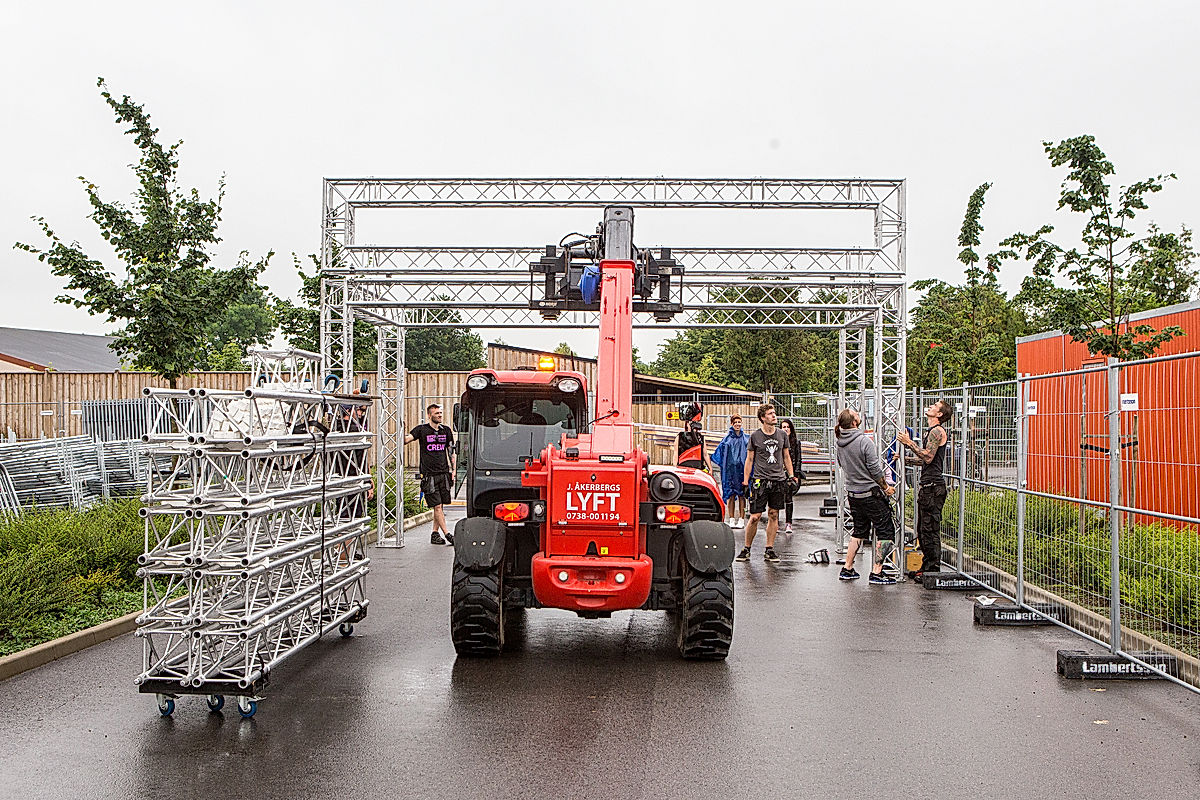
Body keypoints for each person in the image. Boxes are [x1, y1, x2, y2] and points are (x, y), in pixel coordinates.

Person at [834, 409, 897, 584]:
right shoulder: (864, 441)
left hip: (853, 494)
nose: (859, 415)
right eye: (856, 414)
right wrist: (886, 487)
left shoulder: (840, 443)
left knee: (859, 530)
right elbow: (875, 469)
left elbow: (841, 464)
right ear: (854, 422)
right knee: (885, 531)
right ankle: (877, 571)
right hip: (870, 493)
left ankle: (847, 568)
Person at [735, 404, 796, 564]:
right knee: (755, 516)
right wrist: (745, 481)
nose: (774, 416)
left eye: (774, 413)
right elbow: (749, 459)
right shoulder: (755, 436)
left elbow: (786, 456)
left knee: (774, 514)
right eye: (770, 414)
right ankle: (746, 548)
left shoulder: (782, 435)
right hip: (760, 480)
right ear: (763, 418)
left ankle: (769, 549)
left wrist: (791, 476)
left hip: (778, 480)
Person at [898, 400, 952, 578]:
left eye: (935, 406)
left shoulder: (937, 431)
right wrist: (904, 459)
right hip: (928, 487)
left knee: (929, 530)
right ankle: (926, 566)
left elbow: (928, 457)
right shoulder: (931, 432)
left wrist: (909, 443)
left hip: (933, 488)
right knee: (923, 530)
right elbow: (925, 461)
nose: (930, 407)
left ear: (939, 414)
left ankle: (932, 569)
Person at [405, 403, 456, 545]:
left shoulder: (446, 430)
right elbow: (406, 440)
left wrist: (454, 470)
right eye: (437, 413)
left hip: (444, 473)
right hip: (429, 475)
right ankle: (447, 534)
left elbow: (451, 451)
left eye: (440, 413)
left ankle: (435, 533)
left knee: (440, 506)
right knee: (437, 506)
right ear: (429, 415)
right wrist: (401, 429)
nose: (440, 415)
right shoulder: (422, 430)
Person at [711, 414, 748, 528]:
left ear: (741, 423)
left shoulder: (746, 439)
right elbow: (719, 454)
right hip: (729, 472)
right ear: (732, 424)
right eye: (735, 422)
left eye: (739, 422)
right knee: (730, 495)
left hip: (741, 471)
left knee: (742, 495)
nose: (737, 424)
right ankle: (731, 518)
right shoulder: (726, 440)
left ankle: (741, 519)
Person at [778, 418, 806, 539]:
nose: (786, 429)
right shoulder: (778, 442)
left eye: (787, 427)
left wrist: (796, 474)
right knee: (778, 498)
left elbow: (799, 459)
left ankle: (788, 523)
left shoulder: (796, 442)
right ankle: (775, 522)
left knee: (789, 498)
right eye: (783, 427)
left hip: (791, 474)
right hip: (779, 473)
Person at [674, 402, 708, 471]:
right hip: (683, 468)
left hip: (698, 469)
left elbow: (705, 454)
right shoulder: (680, 437)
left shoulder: (700, 438)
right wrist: (675, 468)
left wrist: (710, 469)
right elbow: (676, 454)